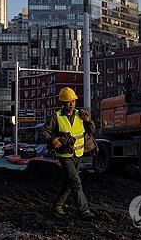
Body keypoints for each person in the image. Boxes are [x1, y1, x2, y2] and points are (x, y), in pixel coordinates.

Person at [42, 87, 97, 220]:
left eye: (73, 101)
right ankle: (84, 211)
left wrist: (88, 120)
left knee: (69, 182)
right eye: (68, 101)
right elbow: (45, 131)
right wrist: (52, 139)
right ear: (63, 103)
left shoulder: (81, 114)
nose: (71, 104)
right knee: (76, 182)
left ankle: (57, 206)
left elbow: (92, 131)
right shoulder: (56, 117)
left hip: (78, 154)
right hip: (64, 155)